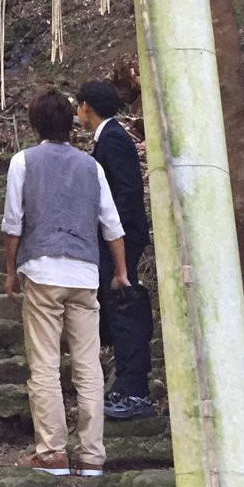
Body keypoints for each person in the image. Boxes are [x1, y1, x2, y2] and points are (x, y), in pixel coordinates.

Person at [2, 88, 129, 477]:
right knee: (88, 366)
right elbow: (112, 225)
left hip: (42, 270)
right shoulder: (92, 167)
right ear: (71, 123)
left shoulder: (24, 161)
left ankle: (52, 451)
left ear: (34, 124)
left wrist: (10, 270)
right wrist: (120, 272)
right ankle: (92, 454)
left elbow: (13, 224)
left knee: (44, 363)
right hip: (85, 273)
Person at [76, 80, 155, 420]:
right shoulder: (109, 138)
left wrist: (114, 237)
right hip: (115, 238)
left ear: (86, 107)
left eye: (78, 107)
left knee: (124, 307)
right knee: (116, 310)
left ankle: (133, 390)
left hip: (120, 239)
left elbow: (126, 192)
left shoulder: (113, 140)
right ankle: (125, 384)